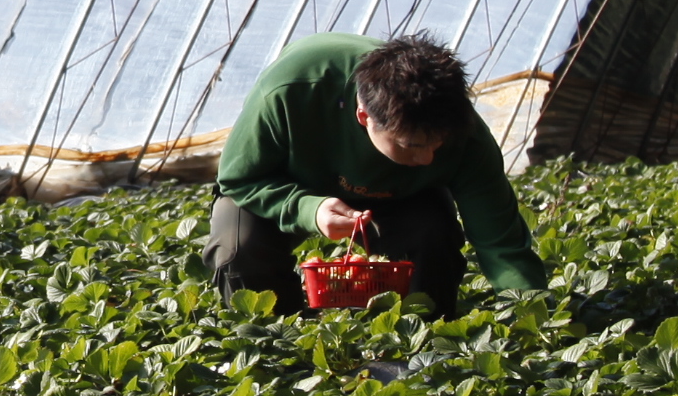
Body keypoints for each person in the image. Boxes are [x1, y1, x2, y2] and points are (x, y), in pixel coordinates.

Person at [210, 32, 548, 312]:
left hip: (400, 197)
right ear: (364, 116)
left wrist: (530, 317)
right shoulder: (292, 88)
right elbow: (239, 179)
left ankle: (418, 348)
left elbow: (501, 244)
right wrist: (308, 210)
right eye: (411, 146)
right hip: (291, 183)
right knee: (237, 246)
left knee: (433, 236)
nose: (429, 159)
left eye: (438, 144)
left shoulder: (465, 135)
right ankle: (277, 352)